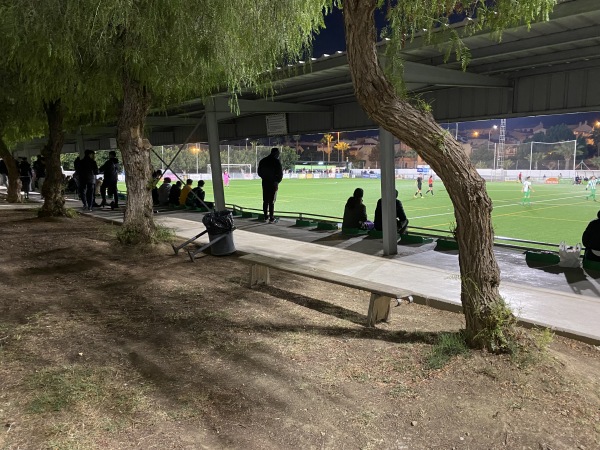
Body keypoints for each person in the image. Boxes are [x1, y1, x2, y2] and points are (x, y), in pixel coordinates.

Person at [257, 147, 283, 223]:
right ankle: (271, 217)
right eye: (278, 153)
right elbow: (280, 174)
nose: (278, 155)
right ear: (275, 153)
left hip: (265, 183)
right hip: (273, 183)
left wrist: (264, 177)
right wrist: (277, 181)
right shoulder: (276, 162)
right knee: (272, 201)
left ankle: (265, 216)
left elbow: (259, 172)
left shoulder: (263, 161)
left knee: (265, 200)